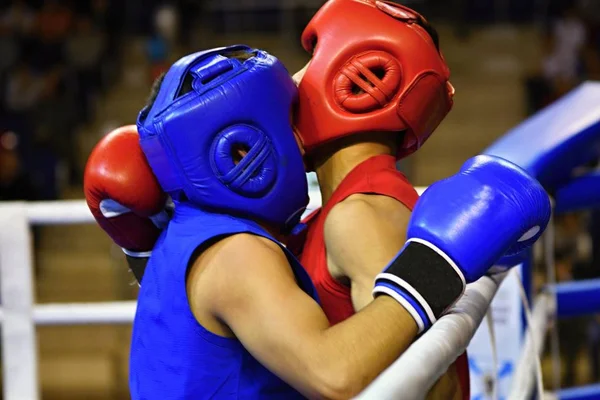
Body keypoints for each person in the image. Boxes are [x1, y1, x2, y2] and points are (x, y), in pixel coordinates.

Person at [84, 45, 551, 399]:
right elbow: (333, 374)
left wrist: (137, 246)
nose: (304, 140)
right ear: (240, 151)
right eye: (289, 119)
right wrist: (438, 261)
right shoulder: (235, 254)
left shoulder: (195, 233)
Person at [290, 1, 465, 398]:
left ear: (357, 80)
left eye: (311, 58)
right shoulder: (342, 209)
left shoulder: (363, 214)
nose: (293, 79)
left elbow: (431, 385)